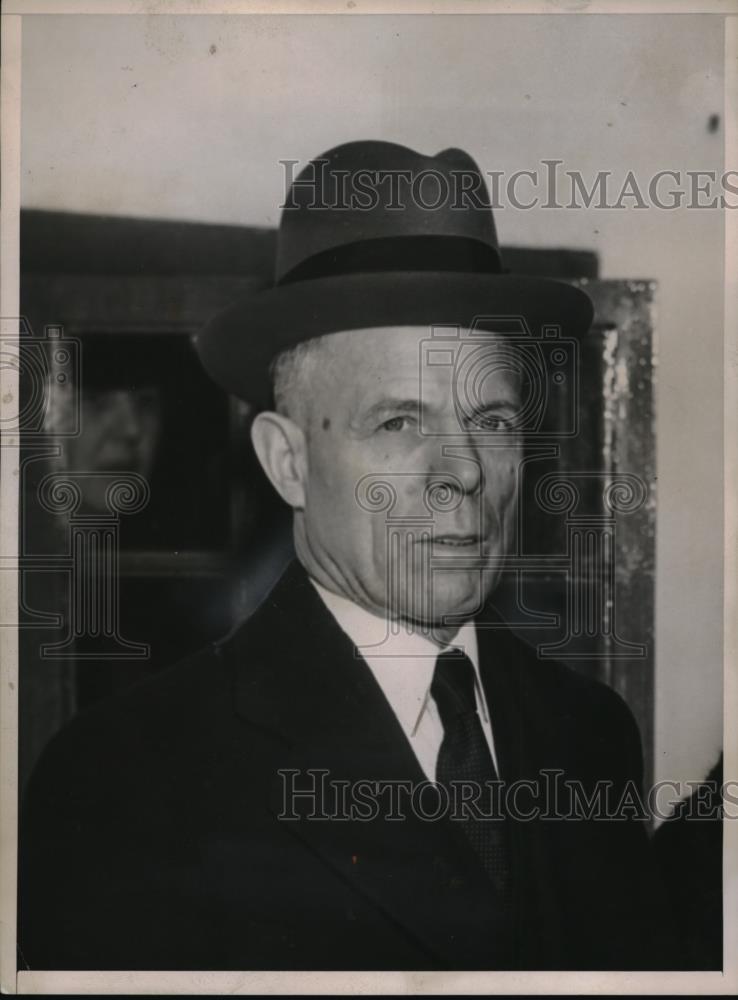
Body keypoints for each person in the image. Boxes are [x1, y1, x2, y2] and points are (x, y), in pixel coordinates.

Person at [19, 141, 671, 971]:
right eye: (400, 422)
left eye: (495, 421)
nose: (465, 469)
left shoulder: (590, 733)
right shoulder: (127, 780)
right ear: (288, 462)